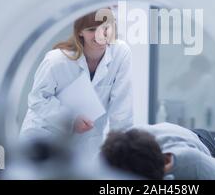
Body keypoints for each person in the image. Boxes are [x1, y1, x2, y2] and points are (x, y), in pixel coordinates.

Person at [20, 8, 133, 155]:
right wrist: (71, 119)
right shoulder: (56, 60)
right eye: (92, 29)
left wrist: (122, 149)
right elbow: (37, 99)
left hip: (86, 142)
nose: (101, 35)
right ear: (80, 32)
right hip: (45, 134)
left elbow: (122, 108)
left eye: (106, 27)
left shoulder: (121, 53)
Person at [100, 122, 215, 180]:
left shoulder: (192, 162)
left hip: (203, 142)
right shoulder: (108, 155)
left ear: (166, 163)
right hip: (170, 133)